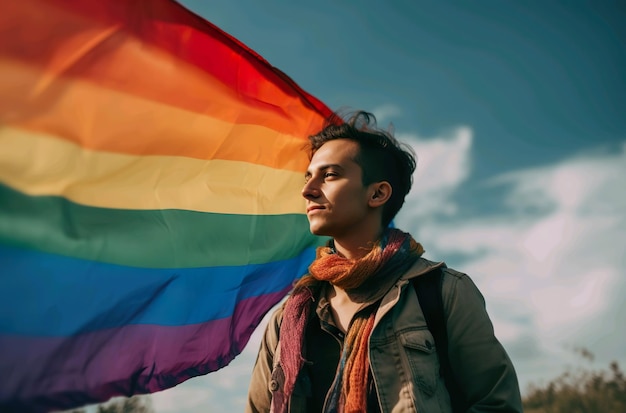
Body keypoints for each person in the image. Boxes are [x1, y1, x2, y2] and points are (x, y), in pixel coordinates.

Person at [246, 111, 523, 413]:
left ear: (377, 193)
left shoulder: (443, 293)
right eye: (309, 176)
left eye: (329, 175)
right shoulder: (291, 316)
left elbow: (497, 405)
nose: (308, 190)